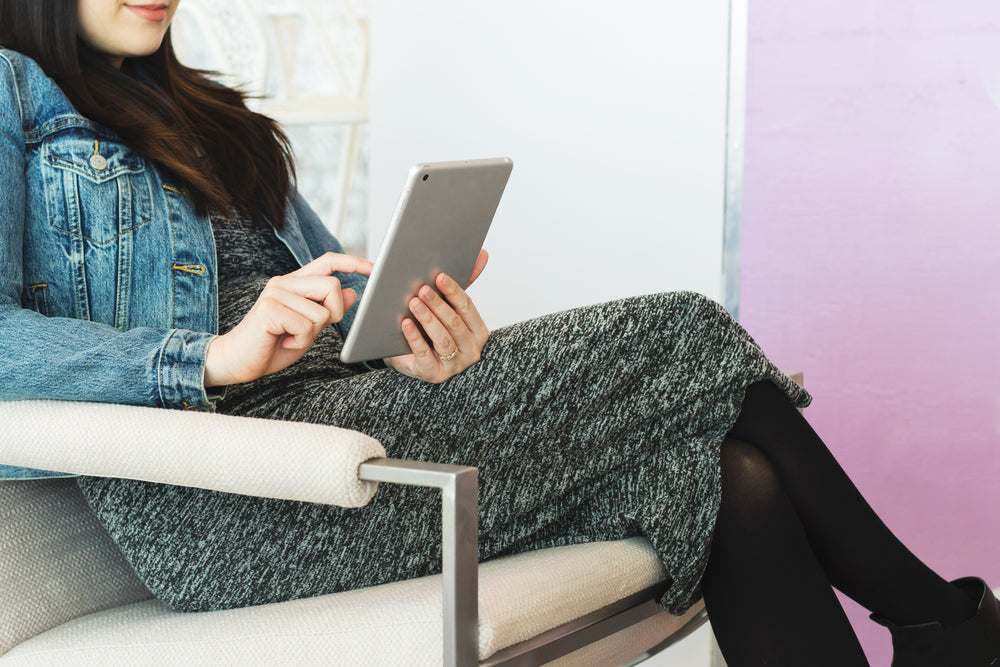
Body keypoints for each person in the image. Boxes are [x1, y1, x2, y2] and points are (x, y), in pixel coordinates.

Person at [0, 1, 996, 665]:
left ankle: (942, 629)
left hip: (349, 429)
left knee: (725, 475)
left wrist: (402, 332)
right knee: (685, 331)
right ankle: (942, 626)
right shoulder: (11, 91)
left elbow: (328, 304)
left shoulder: (202, 112)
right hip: (234, 502)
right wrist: (206, 358)